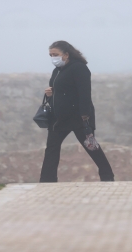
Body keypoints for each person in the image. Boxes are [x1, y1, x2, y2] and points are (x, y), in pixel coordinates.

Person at [39, 40, 115, 182]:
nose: (52, 58)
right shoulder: (57, 71)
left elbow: (84, 93)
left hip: (78, 118)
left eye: (55, 54)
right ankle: (47, 180)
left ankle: (107, 176)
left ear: (66, 54)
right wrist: (50, 93)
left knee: (92, 147)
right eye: (50, 55)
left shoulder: (79, 68)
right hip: (58, 119)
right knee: (51, 149)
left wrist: (85, 116)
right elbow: (61, 91)